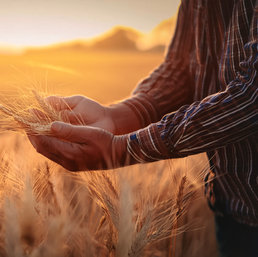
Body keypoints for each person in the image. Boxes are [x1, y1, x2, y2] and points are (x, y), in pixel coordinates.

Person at [27, 0, 258, 256]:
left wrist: (124, 148)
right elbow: (181, 68)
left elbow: (253, 95)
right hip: (231, 209)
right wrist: (117, 116)